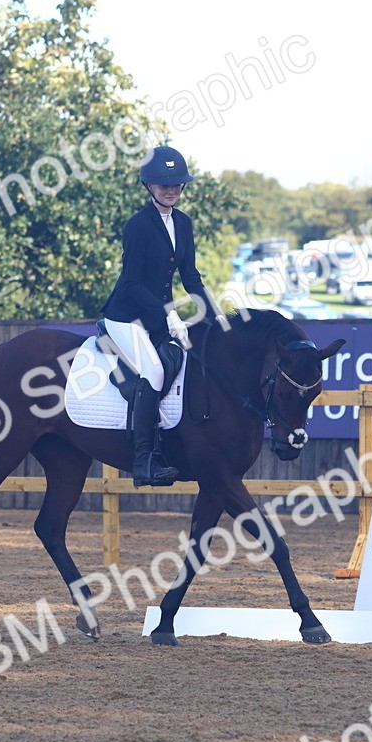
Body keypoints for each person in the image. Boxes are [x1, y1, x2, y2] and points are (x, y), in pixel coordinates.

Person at [100, 145, 228, 487]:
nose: (171, 190)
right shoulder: (138, 226)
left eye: (176, 185)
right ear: (149, 187)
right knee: (154, 371)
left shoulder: (183, 223)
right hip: (125, 317)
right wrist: (167, 313)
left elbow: (190, 275)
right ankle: (144, 460)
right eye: (163, 185)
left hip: (157, 318)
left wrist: (216, 317)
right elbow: (130, 284)